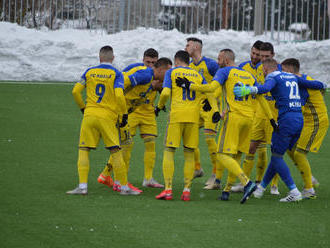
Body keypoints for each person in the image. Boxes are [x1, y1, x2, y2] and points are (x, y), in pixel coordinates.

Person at [234, 58, 327, 202]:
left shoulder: (273, 76)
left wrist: (249, 89)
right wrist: (323, 84)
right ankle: (262, 188)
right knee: (278, 154)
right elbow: (314, 84)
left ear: (265, 69)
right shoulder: (292, 76)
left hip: (286, 120)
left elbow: (265, 88)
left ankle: (294, 191)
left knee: (277, 156)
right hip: (299, 120)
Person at [176, 49, 259, 204]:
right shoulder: (249, 75)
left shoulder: (225, 71)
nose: (217, 61)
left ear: (226, 60)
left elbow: (211, 88)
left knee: (221, 154)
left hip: (234, 117)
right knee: (236, 156)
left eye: (219, 58)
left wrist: (189, 86)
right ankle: (226, 190)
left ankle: (247, 183)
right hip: (249, 118)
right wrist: (272, 121)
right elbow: (259, 96)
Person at [67, 45, 139, 196]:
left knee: (84, 150)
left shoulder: (89, 71)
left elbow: (75, 91)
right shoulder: (116, 73)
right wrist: (124, 114)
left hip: (89, 115)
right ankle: (124, 188)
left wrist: (83, 108)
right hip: (107, 117)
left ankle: (82, 187)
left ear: (99, 58)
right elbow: (119, 96)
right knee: (115, 151)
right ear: (112, 58)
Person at [98, 57, 172, 192]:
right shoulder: (144, 74)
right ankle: (120, 181)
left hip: (129, 112)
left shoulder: (151, 80)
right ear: (161, 69)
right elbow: (122, 82)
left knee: (126, 144)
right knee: (124, 146)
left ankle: (110, 177)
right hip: (119, 111)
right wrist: (114, 102)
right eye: (168, 72)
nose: (169, 76)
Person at [155, 50, 218, 201]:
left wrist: (159, 106)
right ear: (188, 61)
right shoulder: (197, 75)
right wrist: (214, 109)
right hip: (193, 118)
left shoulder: (172, 72)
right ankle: (186, 190)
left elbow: (164, 94)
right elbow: (209, 92)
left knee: (169, 151)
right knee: (189, 154)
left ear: (176, 61)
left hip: (177, 116)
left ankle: (168, 189)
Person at [234, 42, 280, 195]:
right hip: (258, 115)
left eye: (267, 56)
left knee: (275, 151)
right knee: (250, 149)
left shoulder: (279, 70)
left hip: (275, 115)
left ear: (273, 55)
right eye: (261, 56)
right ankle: (245, 183)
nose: (263, 59)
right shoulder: (258, 69)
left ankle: (274, 185)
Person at [281, 58, 328, 198]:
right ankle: (310, 178)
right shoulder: (304, 79)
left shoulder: (300, 84)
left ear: (290, 71)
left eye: (283, 71)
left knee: (299, 153)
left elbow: (295, 105)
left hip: (316, 121)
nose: (282, 74)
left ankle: (309, 190)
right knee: (290, 148)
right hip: (306, 121)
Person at [185, 37, 221, 190]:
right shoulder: (190, 66)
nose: (185, 47)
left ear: (197, 47)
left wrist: (214, 99)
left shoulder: (211, 64)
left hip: (211, 107)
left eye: (188, 45)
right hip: (196, 107)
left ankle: (216, 175)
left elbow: (221, 82)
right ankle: (197, 168)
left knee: (209, 139)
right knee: (189, 135)